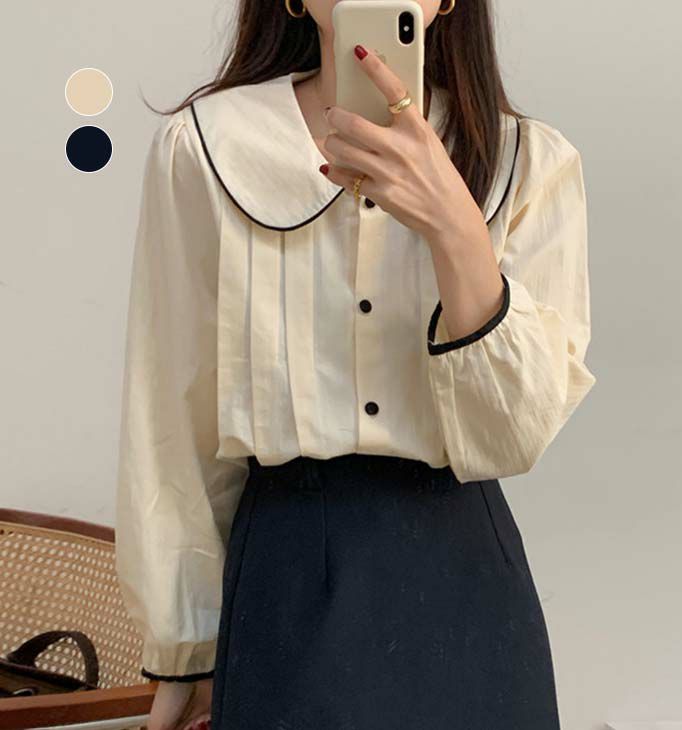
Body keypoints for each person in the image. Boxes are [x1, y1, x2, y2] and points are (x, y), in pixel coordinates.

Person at [114, 1, 597, 728]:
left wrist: (457, 230)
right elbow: (171, 422)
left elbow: (513, 438)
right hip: (285, 579)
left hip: (467, 580)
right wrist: (187, 651)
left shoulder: (530, 161)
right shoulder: (206, 147)